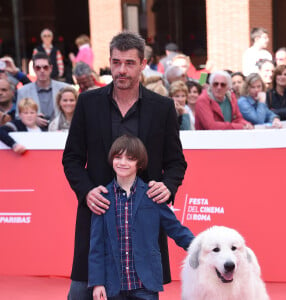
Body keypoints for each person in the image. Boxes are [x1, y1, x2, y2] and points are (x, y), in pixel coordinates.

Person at [62, 31, 187, 300]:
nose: (122, 70)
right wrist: (87, 192)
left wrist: (168, 186)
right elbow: (71, 158)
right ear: (109, 61)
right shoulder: (87, 103)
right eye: (116, 62)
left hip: (141, 222)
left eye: (129, 63)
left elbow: (176, 162)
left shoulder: (162, 108)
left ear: (143, 64)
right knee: (80, 293)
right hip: (97, 214)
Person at [89, 134, 194, 300]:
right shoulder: (102, 197)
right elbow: (96, 246)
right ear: (111, 159)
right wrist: (97, 282)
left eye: (129, 159)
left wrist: (203, 248)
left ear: (139, 163)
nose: (123, 162)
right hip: (113, 285)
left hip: (146, 284)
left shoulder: (152, 195)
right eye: (118, 157)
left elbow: (176, 229)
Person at [16, 52, 69, 128]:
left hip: (60, 131)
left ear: (50, 68)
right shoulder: (23, 91)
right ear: (34, 69)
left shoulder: (64, 88)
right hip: (34, 132)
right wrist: (32, 119)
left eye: (45, 67)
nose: (42, 70)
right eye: (38, 68)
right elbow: (18, 116)